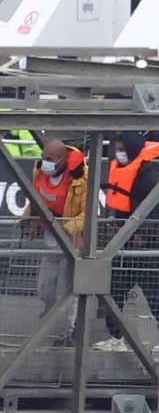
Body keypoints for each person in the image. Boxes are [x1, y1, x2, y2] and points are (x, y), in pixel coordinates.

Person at [95, 133, 159, 352]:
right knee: (114, 287)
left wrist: (142, 234)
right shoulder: (121, 170)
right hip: (124, 240)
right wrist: (117, 224)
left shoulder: (150, 175)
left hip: (145, 244)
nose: (118, 153)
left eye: (122, 148)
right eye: (117, 148)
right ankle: (115, 337)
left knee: (153, 290)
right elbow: (121, 203)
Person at [25, 140, 87, 343]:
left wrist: (66, 227)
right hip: (49, 238)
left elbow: (88, 213)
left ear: (62, 160)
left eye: (50, 160)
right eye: (44, 158)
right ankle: (51, 311)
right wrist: (28, 220)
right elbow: (34, 197)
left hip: (71, 240)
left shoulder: (80, 179)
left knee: (70, 288)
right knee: (44, 287)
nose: (45, 163)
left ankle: (70, 330)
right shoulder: (40, 170)